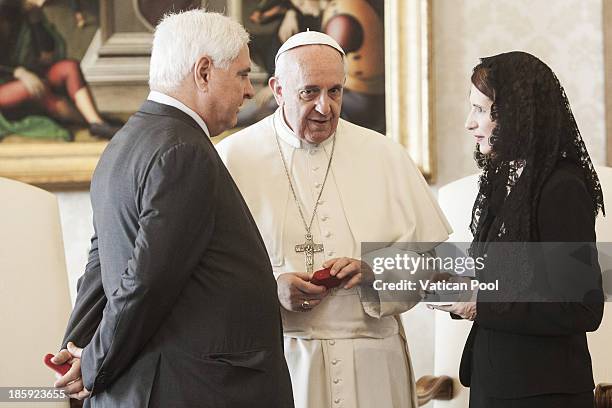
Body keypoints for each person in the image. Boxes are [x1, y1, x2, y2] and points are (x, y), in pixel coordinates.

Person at [50, 10, 294, 408]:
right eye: (241, 74)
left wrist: (74, 348)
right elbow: (148, 281)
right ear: (203, 72)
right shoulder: (183, 151)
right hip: (193, 389)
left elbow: (100, 265)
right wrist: (91, 364)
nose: (250, 91)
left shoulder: (125, 141)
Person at [216, 31, 452, 408]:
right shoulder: (231, 158)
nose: (326, 108)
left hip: (373, 361)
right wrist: (271, 288)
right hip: (279, 363)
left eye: (336, 91)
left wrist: (375, 271)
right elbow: (206, 275)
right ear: (278, 90)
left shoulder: (384, 155)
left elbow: (437, 268)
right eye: (309, 92)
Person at [437, 51, 605, 407]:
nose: (469, 123)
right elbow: (511, 278)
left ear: (518, 113)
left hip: (543, 393)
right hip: (491, 382)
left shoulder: (563, 187)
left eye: (481, 110)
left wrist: (480, 303)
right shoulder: (503, 180)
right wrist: (451, 286)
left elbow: (580, 308)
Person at [0, 0, 119, 140]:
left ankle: (96, 123)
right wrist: (18, 72)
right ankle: (92, 122)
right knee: (35, 88)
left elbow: (47, 56)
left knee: (69, 67)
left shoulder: (26, 15)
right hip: (6, 82)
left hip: (32, 75)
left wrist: (36, 22)